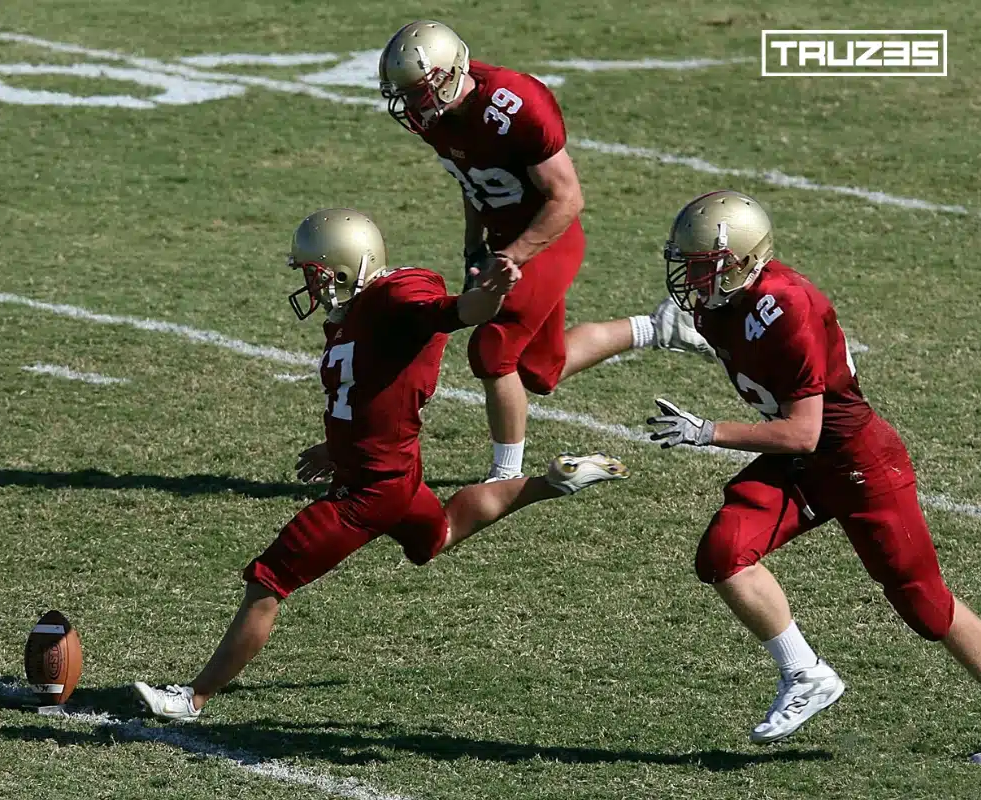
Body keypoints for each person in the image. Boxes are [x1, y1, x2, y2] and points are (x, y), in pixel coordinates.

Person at [133, 208, 630, 720]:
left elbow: (460, 311)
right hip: (393, 473)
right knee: (438, 534)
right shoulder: (356, 312)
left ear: (351, 266)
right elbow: (372, 388)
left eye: (316, 272)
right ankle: (553, 483)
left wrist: (493, 292)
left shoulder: (397, 297)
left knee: (269, 581)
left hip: (367, 493)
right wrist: (339, 446)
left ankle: (191, 698)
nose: (310, 283)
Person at [644, 189, 981, 750]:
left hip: (856, 463)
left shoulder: (788, 304)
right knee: (724, 553)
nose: (694, 281)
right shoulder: (719, 304)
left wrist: (709, 432)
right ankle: (805, 673)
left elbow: (805, 429)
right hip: (803, 462)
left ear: (745, 260)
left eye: (707, 267)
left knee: (926, 604)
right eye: (692, 266)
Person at [378, 20, 711, 482]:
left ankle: (505, 475)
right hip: (503, 241)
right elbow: (471, 182)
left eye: (418, 91)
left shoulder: (515, 104)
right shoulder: (436, 116)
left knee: (492, 351)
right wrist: (474, 246)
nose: (410, 104)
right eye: (405, 93)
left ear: (448, 75)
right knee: (541, 370)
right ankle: (658, 327)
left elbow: (568, 198)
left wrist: (512, 255)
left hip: (547, 239)